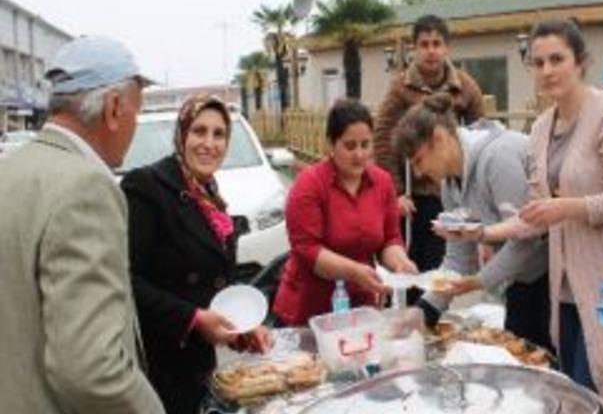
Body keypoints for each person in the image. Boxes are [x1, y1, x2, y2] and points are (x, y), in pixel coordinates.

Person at [457, 19, 603, 399]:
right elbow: (536, 213)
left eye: (557, 59)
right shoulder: (541, 127)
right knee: (571, 393)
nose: (547, 70)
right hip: (562, 291)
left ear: (581, 62)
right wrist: (481, 233)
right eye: (538, 62)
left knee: (590, 392)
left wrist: (569, 208)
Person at [0, 36, 165, 413]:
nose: (134, 125)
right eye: (136, 112)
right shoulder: (86, 187)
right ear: (114, 108)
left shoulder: (11, 170)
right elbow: (91, 370)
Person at [121, 94, 273, 413]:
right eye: (199, 131)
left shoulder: (208, 193)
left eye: (219, 134)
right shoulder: (146, 187)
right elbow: (126, 280)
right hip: (159, 363)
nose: (209, 143)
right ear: (182, 134)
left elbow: (213, 281)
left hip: (198, 363)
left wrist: (241, 326)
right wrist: (192, 319)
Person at [391, 93, 552, 350]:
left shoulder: (498, 157)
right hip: (522, 280)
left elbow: (527, 238)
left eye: (419, 160)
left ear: (439, 138)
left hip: (554, 277)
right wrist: (424, 310)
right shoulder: (450, 185)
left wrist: (479, 281)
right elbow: (458, 258)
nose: (419, 173)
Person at [273, 99, 418, 326]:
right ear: (331, 144)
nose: (359, 155)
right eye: (350, 146)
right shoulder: (309, 184)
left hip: (362, 306)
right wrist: (354, 272)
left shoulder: (382, 182)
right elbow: (307, 251)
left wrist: (400, 262)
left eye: (365, 144)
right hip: (309, 309)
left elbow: (389, 239)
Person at [373, 14, 485, 283]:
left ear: (447, 48)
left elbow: (479, 135)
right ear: (415, 48)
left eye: (437, 43)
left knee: (442, 264)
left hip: (451, 191)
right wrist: (396, 192)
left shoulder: (465, 86)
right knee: (411, 263)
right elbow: (383, 139)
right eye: (424, 44)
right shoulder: (400, 87)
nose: (431, 51)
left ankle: (433, 306)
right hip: (414, 195)